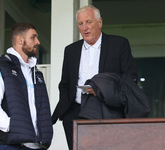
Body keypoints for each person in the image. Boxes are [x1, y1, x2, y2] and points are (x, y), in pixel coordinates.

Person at [52, 5, 138, 150]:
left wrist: (104, 91)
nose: (84, 27)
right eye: (80, 23)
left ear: (100, 22)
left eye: (89, 22)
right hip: (75, 113)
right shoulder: (71, 50)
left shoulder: (118, 44)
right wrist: (67, 111)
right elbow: (65, 84)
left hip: (108, 111)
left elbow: (130, 79)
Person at [0, 23, 53, 150]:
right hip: (10, 145)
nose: (38, 42)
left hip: (37, 146)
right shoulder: (1, 68)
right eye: (33, 37)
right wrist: (12, 126)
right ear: (20, 40)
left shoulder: (37, 74)